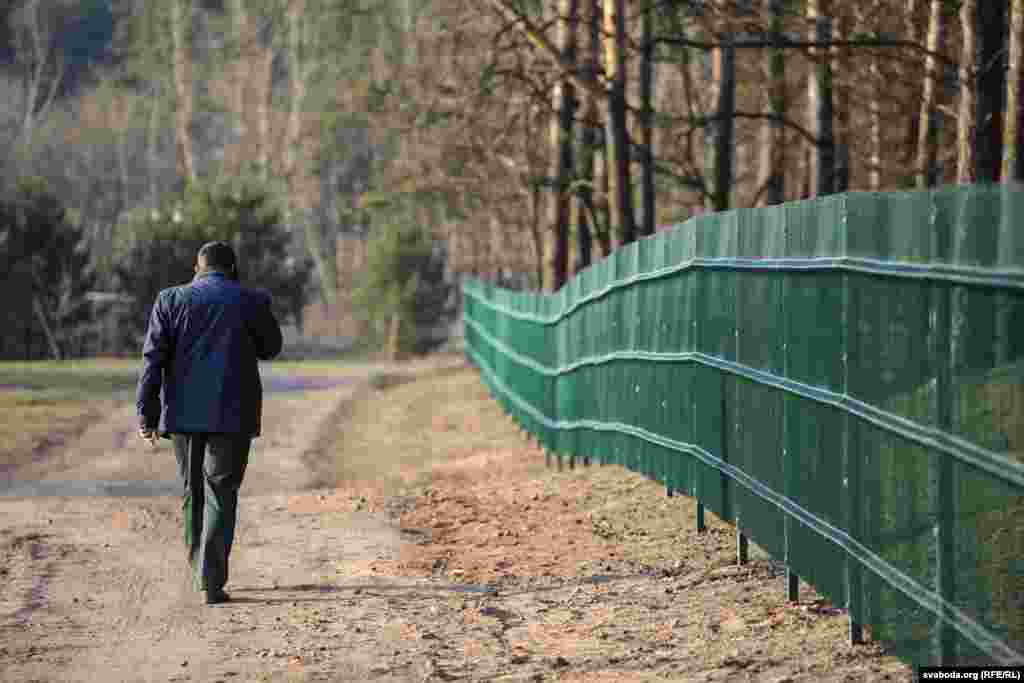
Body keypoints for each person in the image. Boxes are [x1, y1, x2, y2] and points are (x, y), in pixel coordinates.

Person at [136, 241, 283, 605]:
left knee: (193, 492)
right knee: (220, 492)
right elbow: (271, 347)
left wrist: (146, 412)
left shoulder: (169, 300)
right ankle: (211, 581)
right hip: (232, 415)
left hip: (184, 416)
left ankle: (198, 568)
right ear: (233, 268)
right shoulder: (250, 300)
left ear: (196, 267)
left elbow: (152, 359)